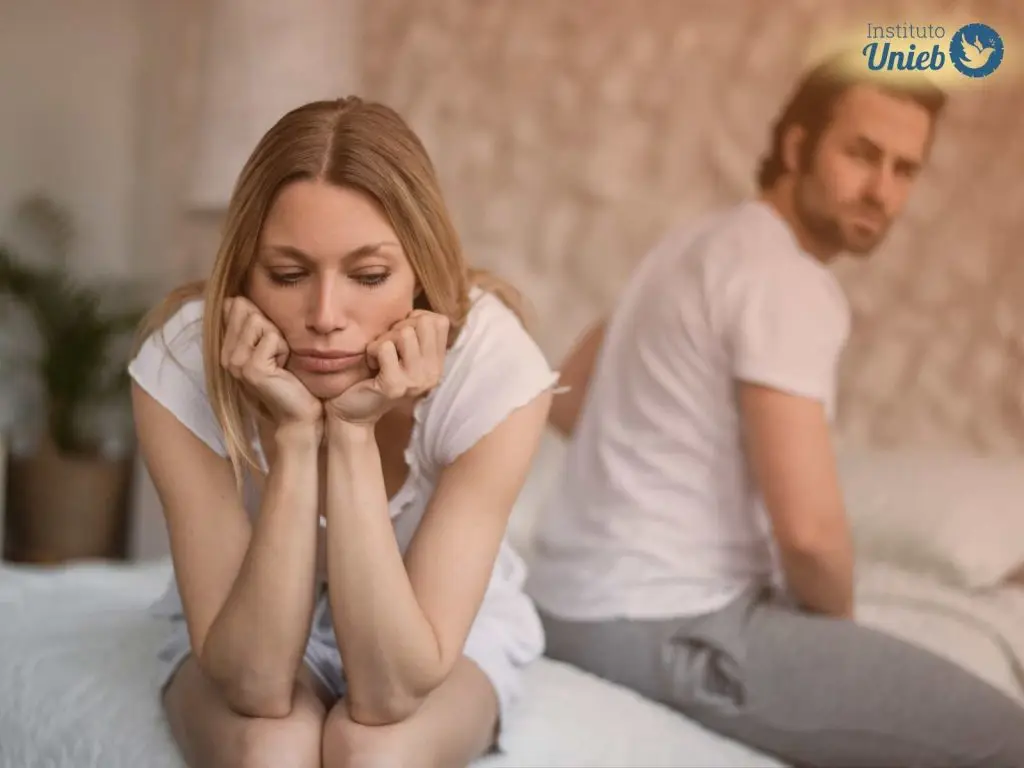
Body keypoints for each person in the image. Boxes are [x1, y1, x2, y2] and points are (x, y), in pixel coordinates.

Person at [528, 52, 1024, 767]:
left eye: (904, 169)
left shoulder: (695, 244)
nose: (880, 190)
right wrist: (839, 642)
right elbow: (812, 536)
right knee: (1006, 738)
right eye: (862, 154)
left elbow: (570, 398)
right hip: (671, 620)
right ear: (797, 146)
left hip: (568, 605)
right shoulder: (784, 279)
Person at [128, 96, 557, 768]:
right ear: (242, 272)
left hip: (438, 630)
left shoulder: (494, 368)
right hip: (242, 623)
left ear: (420, 273)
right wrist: (298, 438)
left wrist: (353, 433)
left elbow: (388, 695)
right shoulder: (179, 363)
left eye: (369, 275)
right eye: (289, 274)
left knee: (371, 753)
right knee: (272, 747)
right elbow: (256, 684)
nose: (325, 315)